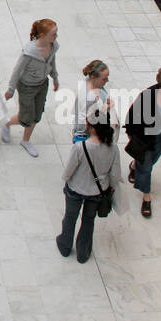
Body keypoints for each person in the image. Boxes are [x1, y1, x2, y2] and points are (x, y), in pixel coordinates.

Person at [56, 107, 121, 263]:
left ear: (91, 126)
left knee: (70, 217)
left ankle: (65, 245)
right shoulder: (113, 148)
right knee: (88, 220)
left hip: (76, 189)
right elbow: (115, 174)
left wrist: (65, 180)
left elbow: (68, 170)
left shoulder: (80, 147)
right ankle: (83, 252)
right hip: (98, 192)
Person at [124, 67, 161, 219]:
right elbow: (132, 116)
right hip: (145, 139)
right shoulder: (147, 96)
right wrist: (131, 135)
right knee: (146, 167)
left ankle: (133, 166)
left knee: (152, 160)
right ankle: (146, 197)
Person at [3, 17, 60, 157]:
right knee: (25, 118)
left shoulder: (52, 46)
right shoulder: (29, 51)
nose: (56, 36)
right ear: (42, 35)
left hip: (42, 84)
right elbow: (17, 70)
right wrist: (11, 89)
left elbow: (52, 63)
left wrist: (55, 78)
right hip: (27, 87)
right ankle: (7, 124)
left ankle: (25, 140)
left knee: (36, 115)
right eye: (53, 34)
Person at [73, 60, 119, 145]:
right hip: (90, 139)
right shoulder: (87, 98)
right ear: (94, 77)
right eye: (104, 79)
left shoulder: (94, 83)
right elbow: (83, 124)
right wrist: (105, 108)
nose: (107, 81)